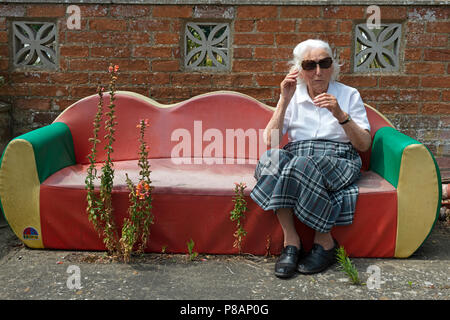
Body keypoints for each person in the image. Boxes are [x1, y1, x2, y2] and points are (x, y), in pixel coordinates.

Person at [250, 39, 372, 279]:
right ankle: (291, 242)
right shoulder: (293, 95)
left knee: (300, 165)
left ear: (332, 66)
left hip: (339, 158)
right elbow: (270, 141)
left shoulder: (348, 95)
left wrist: (340, 114)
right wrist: (284, 99)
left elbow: (364, 144)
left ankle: (324, 242)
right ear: (299, 70)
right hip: (299, 155)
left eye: (324, 63)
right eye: (310, 65)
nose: (318, 72)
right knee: (270, 160)